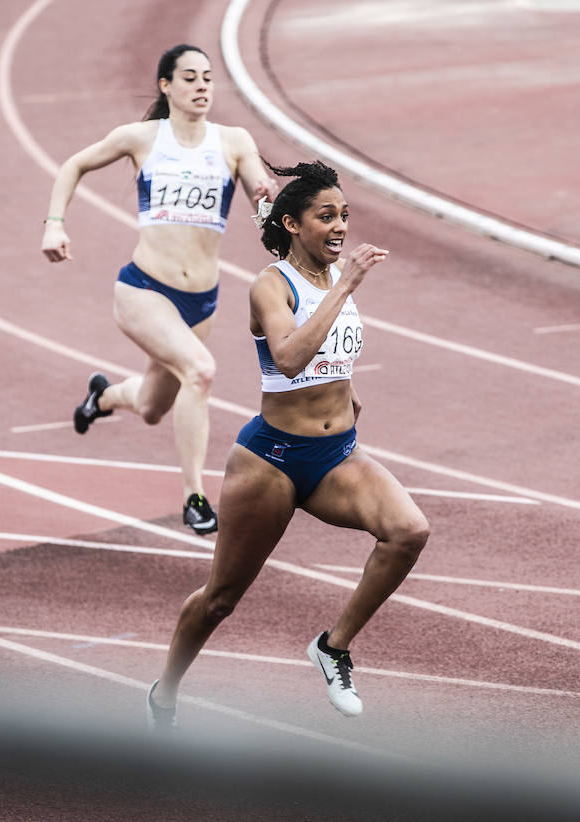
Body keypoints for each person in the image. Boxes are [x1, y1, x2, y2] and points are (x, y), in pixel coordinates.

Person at [146, 160, 430, 729]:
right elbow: (290, 357)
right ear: (294, 225)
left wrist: (349, 397)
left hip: (336, 456)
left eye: (344, 215)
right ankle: (165, 694)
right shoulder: (272, 284)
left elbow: (328, 358)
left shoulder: (329, 279)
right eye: (327, 216)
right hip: (271, 460)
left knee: (408, 531)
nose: (340, 226)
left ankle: (332, 647)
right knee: (221, 599)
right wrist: (346, 284)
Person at [41, 44, 277, 535]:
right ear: (166, 86)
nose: (202, 86)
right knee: (201, 371)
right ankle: (194, 497)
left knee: (151, 406)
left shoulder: (232, 141)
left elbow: (259, 183)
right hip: (143, 291)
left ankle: (101, 398)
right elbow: (73, 166)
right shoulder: (141, 138)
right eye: (189, 78)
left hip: (202, 304)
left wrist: (263, 198)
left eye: (208, 78)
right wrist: (55, 224)